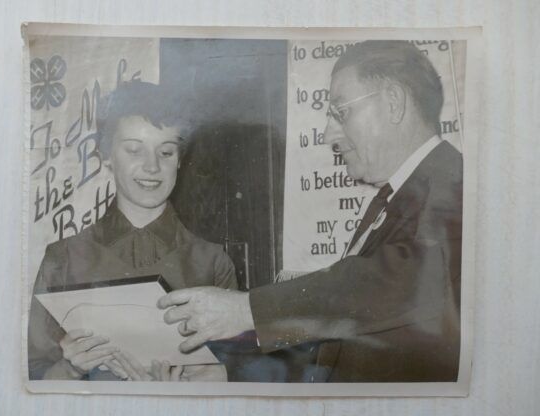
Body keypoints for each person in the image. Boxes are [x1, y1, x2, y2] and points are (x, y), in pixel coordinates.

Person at [158, 40, 463, 382]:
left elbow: (399, 281)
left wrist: (246, 310)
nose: (328, 134)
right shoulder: (399, 197)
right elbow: (344, 348)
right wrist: (230, 374)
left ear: (393, 103)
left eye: (341, 112)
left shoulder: (456, 185)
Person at [28, 80, 237, 381]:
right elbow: (31, 378)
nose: (152, 166)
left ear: (180, 160)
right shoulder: (63, 258)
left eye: (166, 152)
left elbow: (238, 377)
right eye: (134, 150)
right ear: (106, 155)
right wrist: (70, 368)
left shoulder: (213, 263)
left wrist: (213, 378)